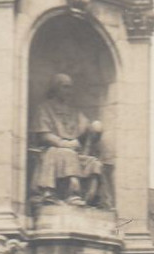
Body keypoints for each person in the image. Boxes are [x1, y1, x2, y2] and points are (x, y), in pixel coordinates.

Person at [31, 73, 107, 206]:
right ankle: (72, 194)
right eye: (65, 87)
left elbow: (86, 127)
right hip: (52, 149)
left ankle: (93, 198)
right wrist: (64, 144)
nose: (69, 92)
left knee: (94, 163)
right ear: (55, 88)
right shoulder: (44, 108)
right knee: (67, 154)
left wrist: (95, 127)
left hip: (74, 151)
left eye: (70, 88)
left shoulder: (75, 112)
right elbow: (44, 135)